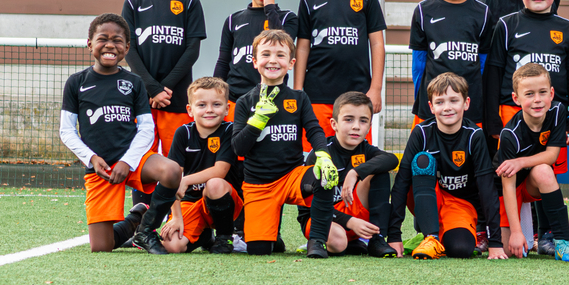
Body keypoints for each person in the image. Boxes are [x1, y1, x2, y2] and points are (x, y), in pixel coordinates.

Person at [60, 13, 182, 253]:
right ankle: (135, 221)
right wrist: (92, 159)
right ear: (90, 44)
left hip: (134, 162)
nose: (110, 45)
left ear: (126, 48)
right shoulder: (76, 82)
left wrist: (128, 161)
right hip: (102, 168)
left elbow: (146, 128)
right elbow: (66, 131)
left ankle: (146, 229)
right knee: (101, 247)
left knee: (171, 171)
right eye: (102, 39)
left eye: (117, 40)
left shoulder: (134, 82)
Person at [120, 0, 204, 206]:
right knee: (142, 157)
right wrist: (152, 88)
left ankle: (182, 221)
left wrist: (165, 87)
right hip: (142, 98)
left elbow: (192, 50)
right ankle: (141, 217)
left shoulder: (189, 1)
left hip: (176, 98)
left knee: (178, 161)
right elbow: (129, 50)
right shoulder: (133, 2)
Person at [231, 29, 332, 256]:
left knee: (324, 176)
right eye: (266, 54)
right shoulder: (244, 101)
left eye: (280, 55)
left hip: (292, 176)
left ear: (291, 63)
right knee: (259, 250)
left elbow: (314, 130)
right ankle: (271, 234)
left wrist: (323, 154)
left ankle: (317, 240)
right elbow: (238, 148)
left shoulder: (299, 98)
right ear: (254, 61)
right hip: (259, 184)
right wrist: (257, 121)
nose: (273, 60)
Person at [390, 74, 502, 260]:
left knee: (460, 249)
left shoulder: (474, 135)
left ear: (466, 103)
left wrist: (495, 242)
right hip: (425, 197)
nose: (447, 107)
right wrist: (394, 236)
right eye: (440, 102)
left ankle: (433, 234)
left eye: (453, 100)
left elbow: (486, 187)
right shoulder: (421, 133)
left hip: (459, 205)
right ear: (431, 107)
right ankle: (430, 237)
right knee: (423, 160)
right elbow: (401, 182)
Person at [483, 0, 569, 163]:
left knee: (546, 170)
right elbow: (493, 75)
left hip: (553, 114)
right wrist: (492, 119)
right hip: (512, 111)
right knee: (510, 168)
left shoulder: (567, 28)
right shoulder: (507, 25)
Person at [295, 0, 388, 132]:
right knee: (317, 152)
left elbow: (377, 44)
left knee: (354, 152)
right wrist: (298, 90)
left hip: (356, 97)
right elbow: (302, 47)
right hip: (317, 97)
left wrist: (376, 89)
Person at [495, 62, 569, 261]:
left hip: (530, 183)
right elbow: (507, 186)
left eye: (542, 92)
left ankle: (562, 241)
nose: (537, 100)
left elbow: (552, 156)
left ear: (551, 93)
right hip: (508, 190)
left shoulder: (557, 111)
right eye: (529, 94)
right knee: (508, 251)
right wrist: (516, 232)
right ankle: (489, 228)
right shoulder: (510, 134)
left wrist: (520, 162)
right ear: (516, 98)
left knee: (544, 170)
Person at [304, 91, 399, 259]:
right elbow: (309, 207)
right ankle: (323, 241)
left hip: (354, 215)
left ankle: (377, 239)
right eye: (349, 119)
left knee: (379, 171)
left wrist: (355, 172)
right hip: (321, 217)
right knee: (339, 243)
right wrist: (349, 221)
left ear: (369, 126)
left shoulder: (366, 149)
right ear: (334, 124)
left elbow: (391, 159)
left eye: (363, 121)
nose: (356, 126)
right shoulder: (321, 154)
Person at [409, 0, 492, 128]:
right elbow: (418, 64)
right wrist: (421, 97)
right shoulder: (423, 10)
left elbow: (483, 64)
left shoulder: (483, 13)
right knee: (425, 148)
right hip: (432, 104)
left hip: (469, 106)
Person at [157, 76, 240, 254]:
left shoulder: (230, 131)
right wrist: (176, 217)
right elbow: (172, 178)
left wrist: (186, 180)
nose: (209, 110)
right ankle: (205, 237)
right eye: (202, 105)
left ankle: (224, 237)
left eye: (216, 104)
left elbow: (220, 171)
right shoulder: (183, 133)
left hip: (225, 200)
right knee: (172, 246)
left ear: (227, 108)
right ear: (190, 109)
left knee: (214, 184)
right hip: (190, 201)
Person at [213, 0, 299, 108]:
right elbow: (223, 61)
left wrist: (270, 8)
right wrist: (216, 93)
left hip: (272, 99)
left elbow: (282, 44)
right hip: (235, 99)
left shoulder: (288, 18)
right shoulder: (233, 20)